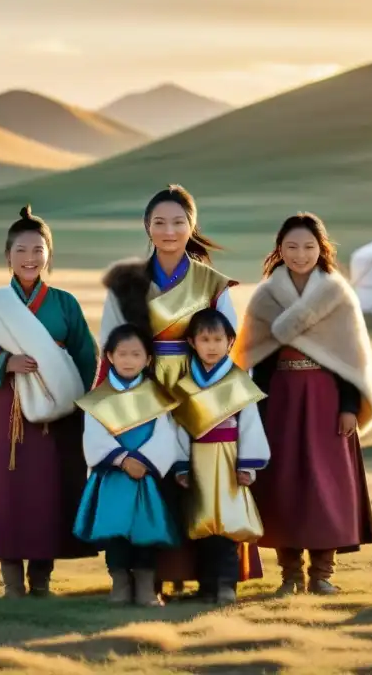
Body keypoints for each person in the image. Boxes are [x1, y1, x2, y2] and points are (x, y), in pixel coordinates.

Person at [98, 184, 264, 594]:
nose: (168, 231)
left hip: (202, 388)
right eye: (159, 222)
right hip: (143, 386)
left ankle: (216, 581)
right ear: (147, 227)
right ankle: (147, 581)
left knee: (208, 482)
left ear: (192, 226)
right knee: (148, 483)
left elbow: (228, 344)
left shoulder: (211, 284)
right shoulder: (128, 283)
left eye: (178, 222)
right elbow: (110, 340)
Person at [0, 205, 99, 598]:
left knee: (48, 493)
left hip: (56, 411)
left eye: (38, 250)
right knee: (5, 493)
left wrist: (75, 398)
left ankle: (42, 581)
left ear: (49, 255)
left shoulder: (64, 303)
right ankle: (12, 582)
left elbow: (86, 354)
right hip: (4, 409)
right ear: (7, 256)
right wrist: (5, 362)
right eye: (22, 250)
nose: (30, 258)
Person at [233, 213, 372, 596]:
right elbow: (256, 359)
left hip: (326, 402)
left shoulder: (338, 294)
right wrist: (257, 410)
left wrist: (349, 404)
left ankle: (322, 574)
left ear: (322, 249)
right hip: (280, 400)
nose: (300, 254)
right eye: (292, 247)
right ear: (279, 250)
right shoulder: (265, 296)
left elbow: (353, 358)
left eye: (309, 247)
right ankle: (290, 576)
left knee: (325, 487)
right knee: (283, 484)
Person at [73, 323, 182, 606]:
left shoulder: (157, 396)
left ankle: (146, 587)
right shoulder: (99, 399)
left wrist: (143, 461)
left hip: (145, 476)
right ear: (109, 356)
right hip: (113, 477)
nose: (129, 360)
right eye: (122, 354)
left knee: (146, 531)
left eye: (136, 354)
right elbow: (93, 437)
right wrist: (122, 460)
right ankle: (120, 584)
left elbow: (166, 436)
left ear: (147, 359)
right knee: (116, 532)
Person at [171, 308, 270, 605]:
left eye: (218, 339)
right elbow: (179, 430)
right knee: (201, 524)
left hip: (229, 460)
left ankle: (226, 586)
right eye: (205, 339)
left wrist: (247, 466)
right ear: (192, 342)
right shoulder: (186, 385)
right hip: (198, 459)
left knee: (226, 525)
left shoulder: (238, 382)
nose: (211, 346)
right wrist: (181, 465)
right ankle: (206, 587)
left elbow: (251, 425)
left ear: (230, 342)